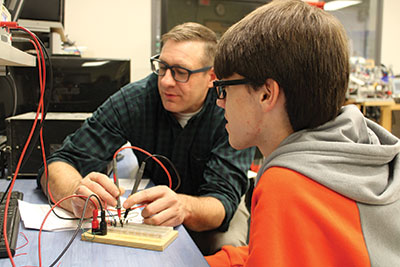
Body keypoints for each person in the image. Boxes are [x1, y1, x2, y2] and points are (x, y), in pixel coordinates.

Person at [205, 0, 400, 266]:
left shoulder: (285, 184)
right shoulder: (362, 151)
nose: (220, 101)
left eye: (224, 88)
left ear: (266, 94)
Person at [38, 22, 255, 255]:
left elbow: (222, 201)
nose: (166, 81)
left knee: (226, 248)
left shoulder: (232, 111)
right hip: (154, 206)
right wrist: (75, 192)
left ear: (211, 76)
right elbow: (58, 163)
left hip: (211, 210)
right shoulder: (137, 99)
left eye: (181, 72)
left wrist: (184, 206)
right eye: (162, 67)